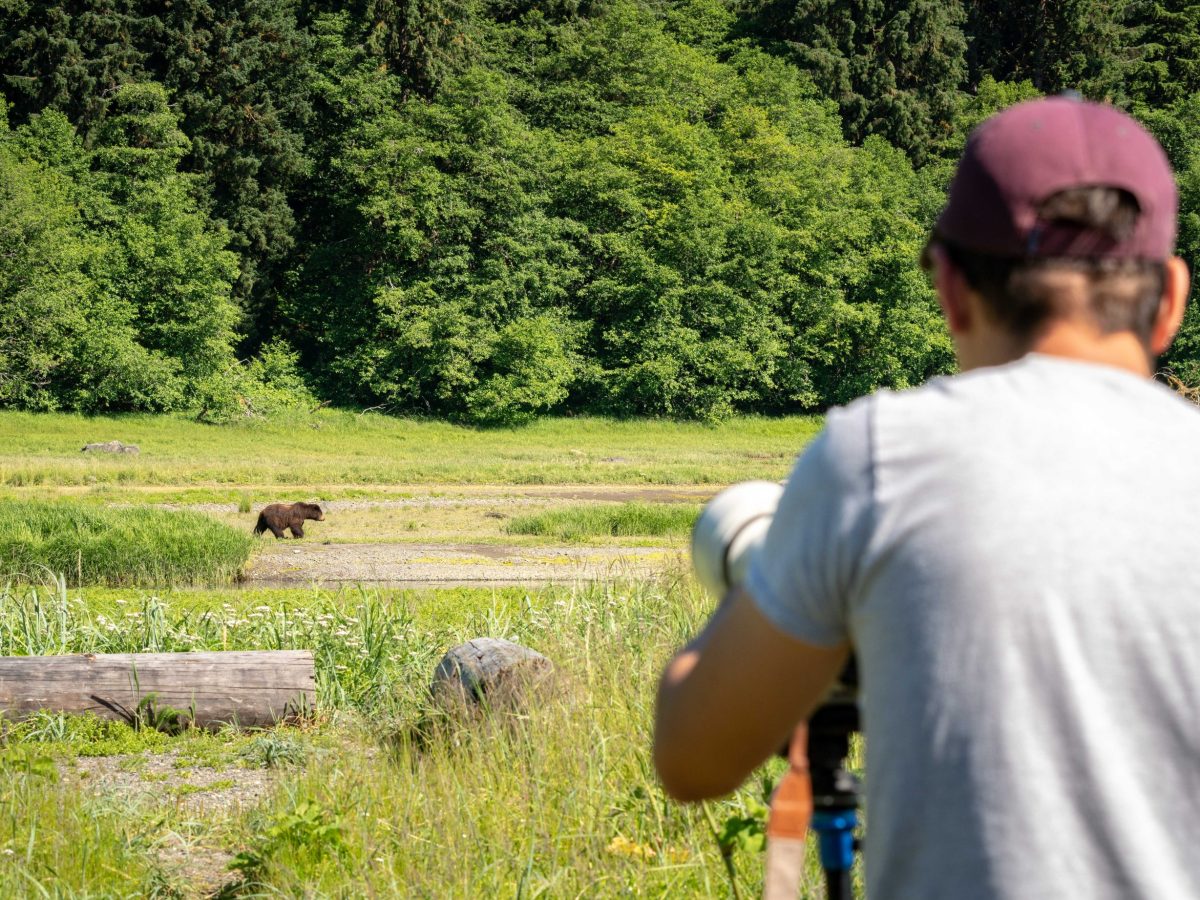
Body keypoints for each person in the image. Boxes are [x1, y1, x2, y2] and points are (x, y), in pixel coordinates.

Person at [654, 96, 1200, 899]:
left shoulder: (880, 459)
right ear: (1172, 300)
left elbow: (693, 760)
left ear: (950, 289)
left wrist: (770, 574)